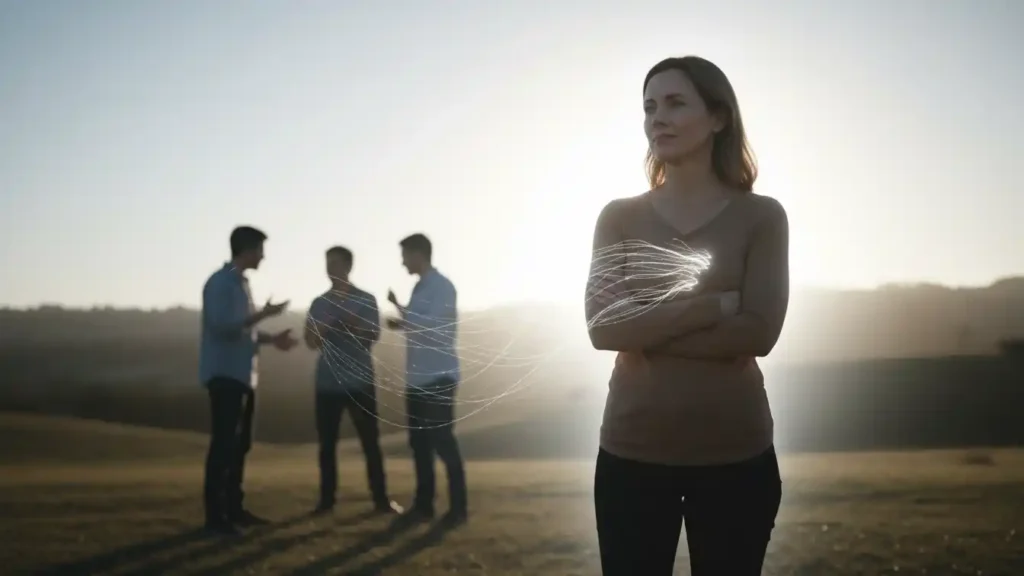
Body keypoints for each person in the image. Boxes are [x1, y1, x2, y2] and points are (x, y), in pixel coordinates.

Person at [585, 56, 789, 575]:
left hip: (736, 458)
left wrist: (645, 328)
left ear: (718, 117)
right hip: (630, 457)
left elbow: (760, 333)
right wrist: (712, 306)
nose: (658, 117)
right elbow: (603, 328)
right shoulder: (619, 216)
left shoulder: (762, 216)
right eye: (650, 107)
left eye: (676, 103)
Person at [199, 225, 297, 535]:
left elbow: (244, 331)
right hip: (225, 375)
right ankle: (217, 518)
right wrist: (264, 315)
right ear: (247, 249)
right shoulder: (221, 284)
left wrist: (271, 339)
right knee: (224, 447)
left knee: (239, 446)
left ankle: (234, 509)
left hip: (243, 376)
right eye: (260, 250)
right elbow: (223, 328)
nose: (263, 256)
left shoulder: (241, 284)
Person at [304, 245, 399, 515]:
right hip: (327, 383)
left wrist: (348, 322)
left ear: (348, 266)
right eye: (327, 263)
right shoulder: (319, 303)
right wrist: (326, 325)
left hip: (361, 382)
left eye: (334, 263)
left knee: (370, 443)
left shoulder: (366, 300)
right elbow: (310, 342)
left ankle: (381, 500)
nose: (329, 269)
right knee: (327, 446)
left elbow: (372, 335)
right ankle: (326, 502)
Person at [384, 233, 468, 526]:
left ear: (419, 253)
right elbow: (420, 324)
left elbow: (437, 326)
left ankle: (458, 508)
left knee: (443, 441)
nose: (403, 261)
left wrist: (404, 317)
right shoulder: (420, 287)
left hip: (438, 376)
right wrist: (401, 314)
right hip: (417, 378)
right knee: (419, 444)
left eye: (405, 254)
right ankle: (424, 505)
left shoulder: (442, 287)